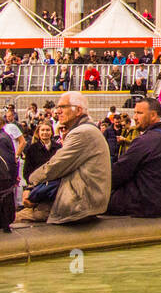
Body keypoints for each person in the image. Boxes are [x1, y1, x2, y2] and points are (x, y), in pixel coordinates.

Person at [21, 91, 111, 224]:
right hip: (84, 201)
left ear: (78, 110)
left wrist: (31, 184)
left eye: (63, 107)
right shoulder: (87, 130)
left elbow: (55, 166)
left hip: (77, 204)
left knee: (16, 221)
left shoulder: (82, 133)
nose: (58, 112)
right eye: (57, 108)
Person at [107, 99, 161, 217]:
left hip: (144, 202)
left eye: (139, 113)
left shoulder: (146, 140)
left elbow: (119, 172)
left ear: (153, 115)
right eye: (135, 112)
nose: (134, 117)